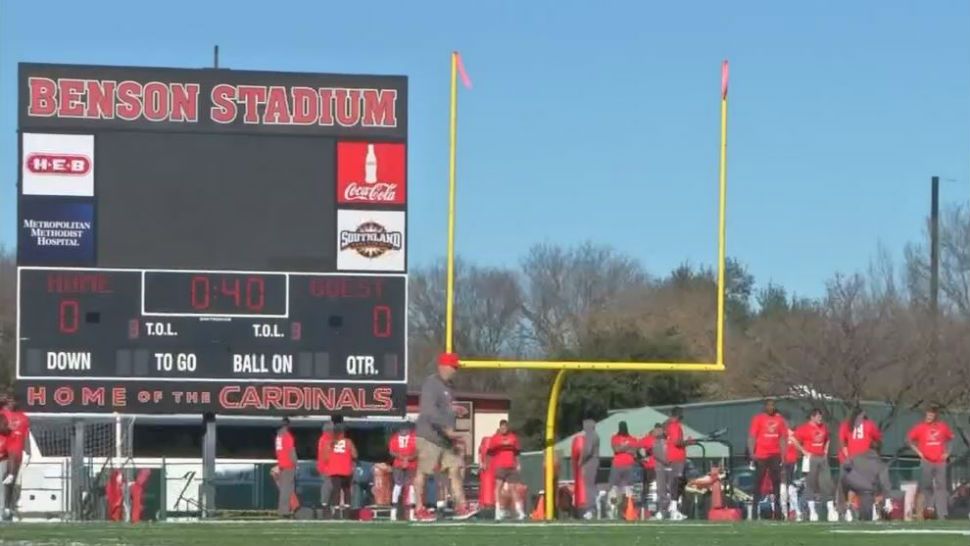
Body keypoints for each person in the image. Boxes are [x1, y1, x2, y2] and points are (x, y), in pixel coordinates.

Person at [413, 353, 476, 521]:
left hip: (445, 439)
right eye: (453, 367)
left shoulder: (449, 387)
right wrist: (446, 429)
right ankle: (419, 508)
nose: (455, 370)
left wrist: (455, 409)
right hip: (429, 435)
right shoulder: (431, 384)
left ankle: (461, 506)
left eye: (456, 367)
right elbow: (429, 411)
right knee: (424, 472)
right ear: (442, 366)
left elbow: (443, 406)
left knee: (455, 469)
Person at [907, 404, 953, 519]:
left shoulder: (942, 427)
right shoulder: (920, 427)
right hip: (926, 460)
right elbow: (908, 439)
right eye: (927, 415)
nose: (929, 417)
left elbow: (951, 438)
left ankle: (942, 513)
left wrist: (948, 453)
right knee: (926, 486)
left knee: (941, 487)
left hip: (940, 461)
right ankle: (929, 509)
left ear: (935, 416)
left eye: (931, 415)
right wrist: (918, 452)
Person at [837, 407, 881, 521]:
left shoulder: (846, 425)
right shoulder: (869, 424)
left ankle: (848, 508)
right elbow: (877, 438)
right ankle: (863, 509)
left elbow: (842, 443)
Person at [793, 408, 837, 522]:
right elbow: (794, 439)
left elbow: (828, 438)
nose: (820, 419)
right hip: (810, 458)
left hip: (822, 458)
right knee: (810, 483)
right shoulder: (804, 428)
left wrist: (826, 450)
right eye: (818, 416)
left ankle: (831, 509)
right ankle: (812, 511)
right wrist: (803, 451)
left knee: (826, 483)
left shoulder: (823, 428)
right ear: (812, 417)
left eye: (821, 416)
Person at [748, 399, 787, 520]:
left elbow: (782, 438)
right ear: (765, 407)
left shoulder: (780, 420)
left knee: (776, 483)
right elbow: (752, 436)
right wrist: (751, 452)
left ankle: (778, 511)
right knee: (758, 483)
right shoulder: (758, 419)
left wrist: (783, 455)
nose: (771, 407)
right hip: (761, 455)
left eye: (773, 405)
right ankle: (754, 512)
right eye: (769, 405)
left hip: (775, 455)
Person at [840, 443, 893, 522]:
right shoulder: (879, 463)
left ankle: (847, 507)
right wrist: (888, 500)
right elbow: (885, 483)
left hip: (847, 481)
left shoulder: (856, 457)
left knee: (850, 487)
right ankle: (864, 511)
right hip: (865, 488)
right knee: (866, 517)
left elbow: (845, 465)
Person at [487, 420, 525, 520]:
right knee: (498, 488)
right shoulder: (495, 438)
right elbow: (490, 452)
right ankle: (497, 511)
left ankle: (519, 511)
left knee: (513, 488)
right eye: (502, 427)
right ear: (499, 428)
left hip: (511, 466)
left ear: (507, 427)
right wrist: (489, 464)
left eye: (505, 427)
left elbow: (517, 452)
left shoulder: (513, 437)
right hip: (500, 466)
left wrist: (518, 464)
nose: (504, 429)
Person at [607, 421, 637, 519]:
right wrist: (627, 447)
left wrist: (622, 448)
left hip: (629, 466)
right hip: (617, 465)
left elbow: (634, 451)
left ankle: (627, 511)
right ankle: (612, 510)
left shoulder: (632, 438)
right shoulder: (614, 437)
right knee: (613, 489)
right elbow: (616, 449)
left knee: (628, 490)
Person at [572, 417, 600, 520]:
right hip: (593, 462)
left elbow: (587, 450)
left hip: (589, 463)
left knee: (589, 487)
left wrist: (580, 461)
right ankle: (592, 508)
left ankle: (590, 510)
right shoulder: (595, 435)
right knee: (591, 486)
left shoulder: (590, 436)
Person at [389, 421, 417, 520]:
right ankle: (394, 513)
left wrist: (407, 458)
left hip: (410, 464)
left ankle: (411, 513)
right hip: (401, 465)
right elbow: (392, 451)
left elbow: (417, 451)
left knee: (410, 486)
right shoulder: (396, 438)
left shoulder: (413, 438)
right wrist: (404, 458)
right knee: (399, 486)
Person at [663, 407, 688, 521]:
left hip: (676, 457)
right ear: (678, 415)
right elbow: (677, 442)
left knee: (679, 482)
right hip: (677, 457)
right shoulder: (674, 426)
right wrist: (688, 442)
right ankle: (673, 509)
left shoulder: (670, 425)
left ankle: (674, 508)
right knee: (677, 482)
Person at [328, 423, 357, 509]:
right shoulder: (348, 442)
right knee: (346, 489)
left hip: (333, 470)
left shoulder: (330, 443)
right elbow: (355, 454)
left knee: (336, 489)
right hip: (345, 470)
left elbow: (326, 456)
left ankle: (336, 509)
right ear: (343, 433)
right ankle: (347, 509)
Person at [274, 417, 297, 518]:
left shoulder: (278, 436)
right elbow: (291, 452)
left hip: (281, 465)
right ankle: (284, 511)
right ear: (288, 425)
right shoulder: (287, 436)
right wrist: (295, 463)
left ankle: (282, 509)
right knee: (287, 489)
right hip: (288, 465)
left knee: (283, 489)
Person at [639, 423, 662, 517]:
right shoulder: (648, 439)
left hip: (659, 468)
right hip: (650, 468)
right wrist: (642, 458)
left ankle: (653, 510)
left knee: (656, 490)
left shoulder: (661, 440)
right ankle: (649, 511)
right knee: (651, 489)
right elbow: (637, 447)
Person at [782, 414, 801, 521]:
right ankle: (785, 512)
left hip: (791, 463)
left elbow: (798, 448)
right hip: (782, 463)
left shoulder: (794, 435)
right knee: (783, 490)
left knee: (790, 488)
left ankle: (795, 511)